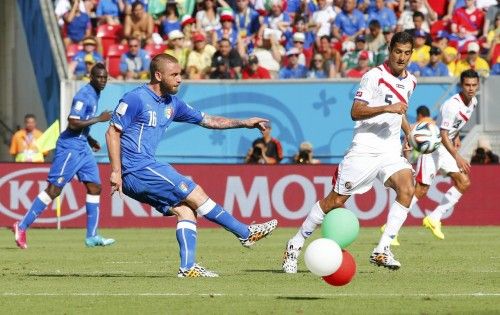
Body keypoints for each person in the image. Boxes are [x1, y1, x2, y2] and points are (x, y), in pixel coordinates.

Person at [105, 54, 277, 277]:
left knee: (186, 210)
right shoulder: (135, 99)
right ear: (158, 75)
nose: (179, 79)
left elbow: (208, 120)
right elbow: (112, 132)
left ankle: (187, 268)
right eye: (174, 75)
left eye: (180, 74)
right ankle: (245, 233)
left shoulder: (172, 104)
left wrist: (244, 123)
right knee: (194, 190)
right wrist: (116, 172)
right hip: (135, 167)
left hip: (141, 170)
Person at [282, 31, 417, 273]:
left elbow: (401, 112)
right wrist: (388, 107)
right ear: (390, 50)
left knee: (407, 188)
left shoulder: (411, 81)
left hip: (390, 150)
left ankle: (382, 249)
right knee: (335, 201)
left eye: (407, 53)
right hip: (364, 149)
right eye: (398, 52)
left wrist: (407, 132)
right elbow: (355, 111)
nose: (402, 57)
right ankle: (295, 243)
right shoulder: (373, 76)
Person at [13, 63, 115, 249]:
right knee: (54, 190)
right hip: (69, 147)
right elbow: (73, 122)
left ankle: (92, 236)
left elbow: (81, 126)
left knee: (95, 187)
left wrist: (89, 137)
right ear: (91, 77)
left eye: (105, 78)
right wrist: (99, 119)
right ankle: (21, 226)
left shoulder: (95, 93)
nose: (102, 80)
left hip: (82, 145)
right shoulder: (84, 96)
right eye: (99, 77)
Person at [411, 70, 480, 240]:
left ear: (477, 85)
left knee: (463, 182)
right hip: (435, 146)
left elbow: (453, 126)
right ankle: (391, 226)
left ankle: (434, 218)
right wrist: (457, 156)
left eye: (474, 85)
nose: (471, 89)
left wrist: (456, 136)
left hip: (446, 147)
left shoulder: (473, 102)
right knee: (421, 190)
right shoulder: (452, 105)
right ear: (461, 85)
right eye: (467, 85)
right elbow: (442, 133)